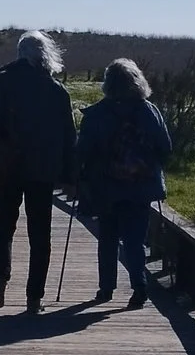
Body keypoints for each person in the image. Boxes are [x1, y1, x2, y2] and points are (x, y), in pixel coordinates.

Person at [0, 31, 76, 312]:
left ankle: (1, 276)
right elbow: (69, 138)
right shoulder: (57, 91)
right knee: (40, 234)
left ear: (19, 53)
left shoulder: (3, 82)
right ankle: (34, 298)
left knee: (4, 224)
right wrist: (71, 177)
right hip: (42, 171)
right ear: (46, 55)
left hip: (8, 167)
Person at [74, 58, 173, 307]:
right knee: (134, 240)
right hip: (139, 188)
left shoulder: (97, 113)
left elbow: (83, 151)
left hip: (106, 188)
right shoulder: (148, 110)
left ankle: (106, 289)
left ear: (108, 83)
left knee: (107, 237)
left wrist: (79, 175)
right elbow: (165, 147)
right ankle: (139, 287)